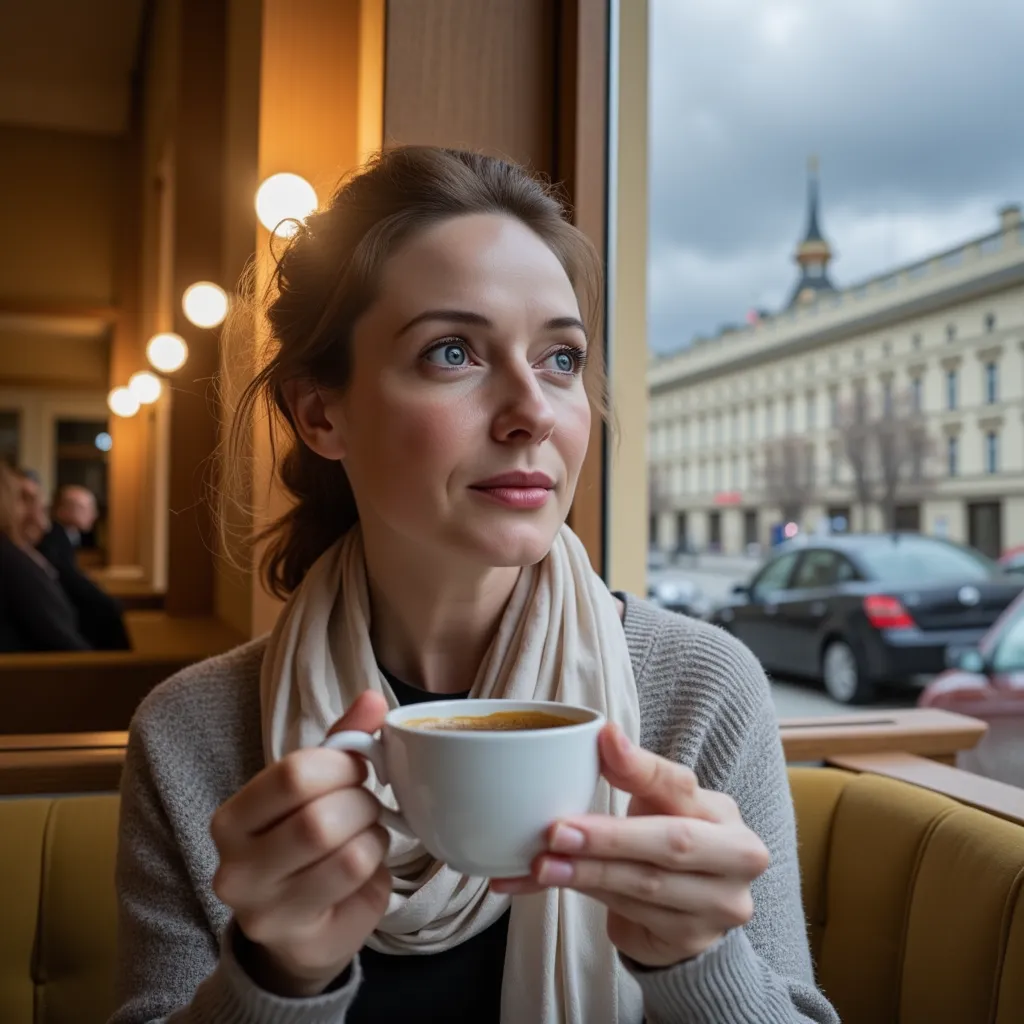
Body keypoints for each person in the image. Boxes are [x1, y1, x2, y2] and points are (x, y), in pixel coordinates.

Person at [111, 147, 839, 1024]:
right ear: (320, 413)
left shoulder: (698, 689)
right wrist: (274, 982)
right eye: (453, 351)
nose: (533, 410)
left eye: (561, 359)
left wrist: (700, 964)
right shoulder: (192, 736)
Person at [0, 464, 90, 652]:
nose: (37, 510)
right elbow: (64, 642)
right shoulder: (13, 560)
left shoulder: (33, 553)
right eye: (22, 499)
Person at [38, 484, 131, 650]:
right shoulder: (53, 538)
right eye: (84, 508)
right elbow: (69, 578)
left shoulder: (68, 536)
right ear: (62, 510)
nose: (93, 514)